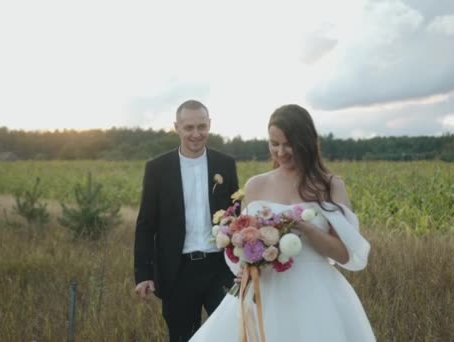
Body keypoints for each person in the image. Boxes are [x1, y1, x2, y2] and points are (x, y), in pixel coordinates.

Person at [190, 104, 375, 341]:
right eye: (274, 143)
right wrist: (247, 262)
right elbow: (244, 240)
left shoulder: (330, 186)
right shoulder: (256, 185)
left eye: (289, 144)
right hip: (265, 290)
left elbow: (344, 254)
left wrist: (307, 229)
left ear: (307, 142)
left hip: (315, 293)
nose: (280, 151)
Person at [134, 99, 238, 342]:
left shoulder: (225, 164)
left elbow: (236, 216)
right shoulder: (157, 168)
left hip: (219, 268)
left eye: (202, 126)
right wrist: (143, 274)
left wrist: (242, 264)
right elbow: (146, 224)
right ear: (176, 128)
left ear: (209, 125)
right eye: (189, 127)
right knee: (182, 338)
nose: (196, 134)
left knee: (227, 336)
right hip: (177, 272)